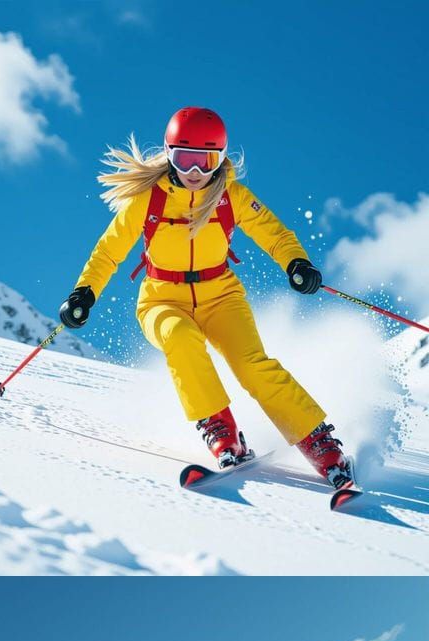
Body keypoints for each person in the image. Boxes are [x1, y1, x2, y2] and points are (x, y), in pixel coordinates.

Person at [59, 107, 354, 490]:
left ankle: (322, 446)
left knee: (252, 365)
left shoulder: (231, 195)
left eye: (206, 161)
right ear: (168, 154)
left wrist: (296, 262)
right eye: (184, 159)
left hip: (221, 295)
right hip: (161, 299)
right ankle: (222, 431)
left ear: (221, 159)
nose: (195, 172)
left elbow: (274, 233)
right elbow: (108, 251)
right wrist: (84, 292)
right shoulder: (147, 199)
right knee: (180, 339)